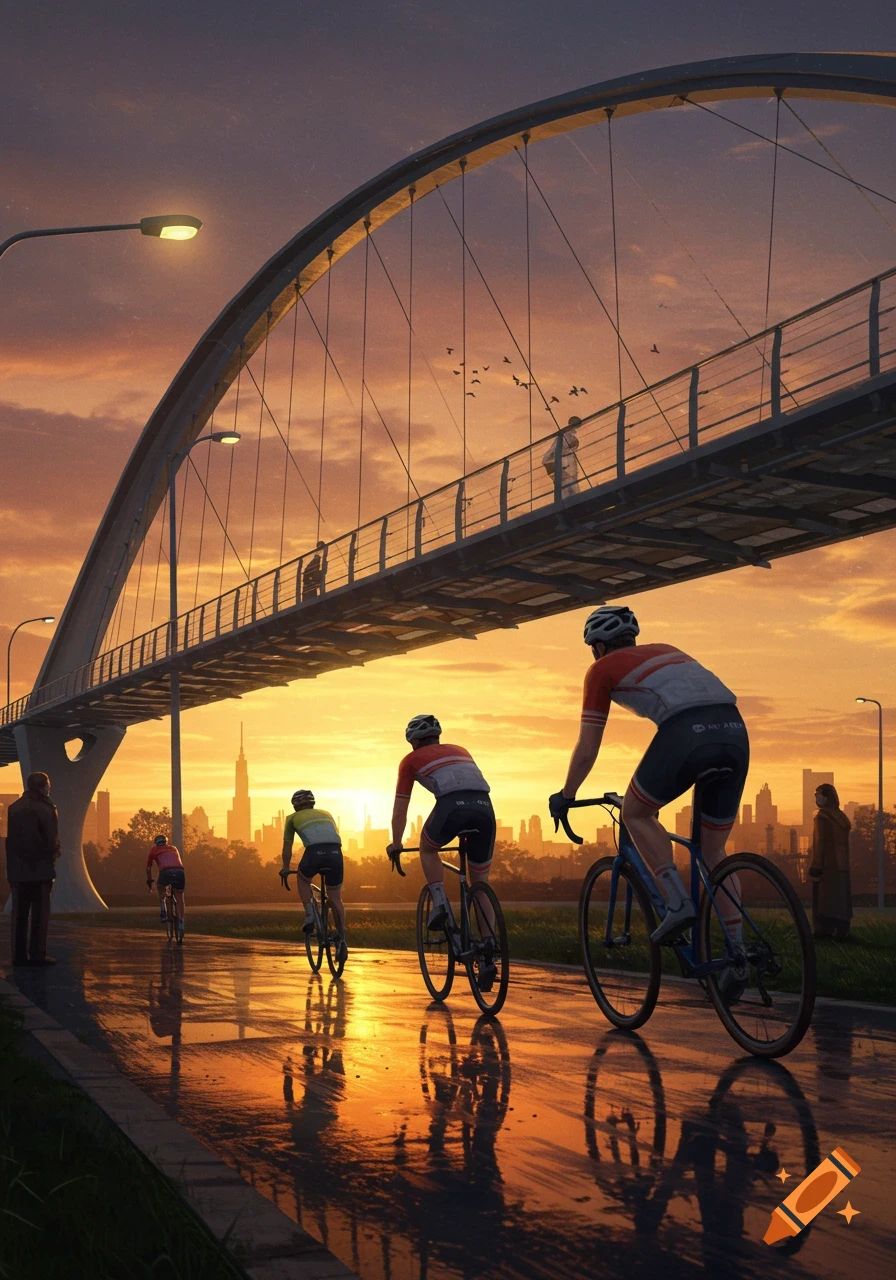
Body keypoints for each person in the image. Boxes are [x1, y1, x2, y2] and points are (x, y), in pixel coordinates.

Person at [550, 606, 749, 968]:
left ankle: (676, 903)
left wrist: (566, 795)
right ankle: (739, 953)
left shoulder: (600, 669)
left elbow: (587, 748)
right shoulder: (669, 649)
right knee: (713, 851)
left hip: (687, 734)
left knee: (636, 811)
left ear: (596, 647)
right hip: (735, 731)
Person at [385, 714, 497, 988]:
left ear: (413, 741)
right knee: (479, 883)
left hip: (452, 807)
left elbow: (401, 808)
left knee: (427, 848)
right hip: (485, 808)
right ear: (437, 736)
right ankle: (488, 954)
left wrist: (397, 843)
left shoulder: (409, 761)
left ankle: (439, 902)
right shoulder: (461, 750)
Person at [280, 789, 347, 963]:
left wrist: (285, 867)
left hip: (314, 853)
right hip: (335, 853)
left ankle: (310, 914)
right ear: (313, 803)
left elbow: (287, 847)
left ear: (295, 806)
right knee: (336, 898)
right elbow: (332, 835)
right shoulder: (326, 814)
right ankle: (342, 938)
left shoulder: (291, 818)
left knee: (302, 879)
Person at [5, 771, 60, 967]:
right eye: (48, 784)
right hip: (41, 869)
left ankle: (18, 956)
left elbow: (10, 841)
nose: (49, 788)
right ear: (41, 787)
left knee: (19, 914)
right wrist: (54, 854)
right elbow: (52, 839)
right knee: (40, 913)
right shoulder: (47, 809)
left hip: (18, 870)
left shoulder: (14, 808)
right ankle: (37, 953)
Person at [808, 783, 852, 940]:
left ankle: (823, 931)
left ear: (826, 797)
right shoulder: (842, 818)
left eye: (818, 794)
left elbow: (820, 844)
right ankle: (842, 931)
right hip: (842, 864)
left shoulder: (821, 818)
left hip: (826, 865)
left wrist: (815, 867)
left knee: (823, 899)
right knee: (841, 898)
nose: (816, 798)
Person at [146, 834, 185, 939]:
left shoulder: (154, 850)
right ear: (166, 842)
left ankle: (163, 911)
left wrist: (149, 882)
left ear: (156, 843)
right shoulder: (173, 848)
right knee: (180, 896)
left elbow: (148, 868)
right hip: (180, 871)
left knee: (160, 887)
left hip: (166, 872)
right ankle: (181, 921)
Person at [542, 416, 582, 499]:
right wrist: (557, 473)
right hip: (564, 473)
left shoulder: (567, 439)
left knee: (573, 495)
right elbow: (546, 459)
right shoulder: (564, 438)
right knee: (567, 495)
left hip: (569, 473)